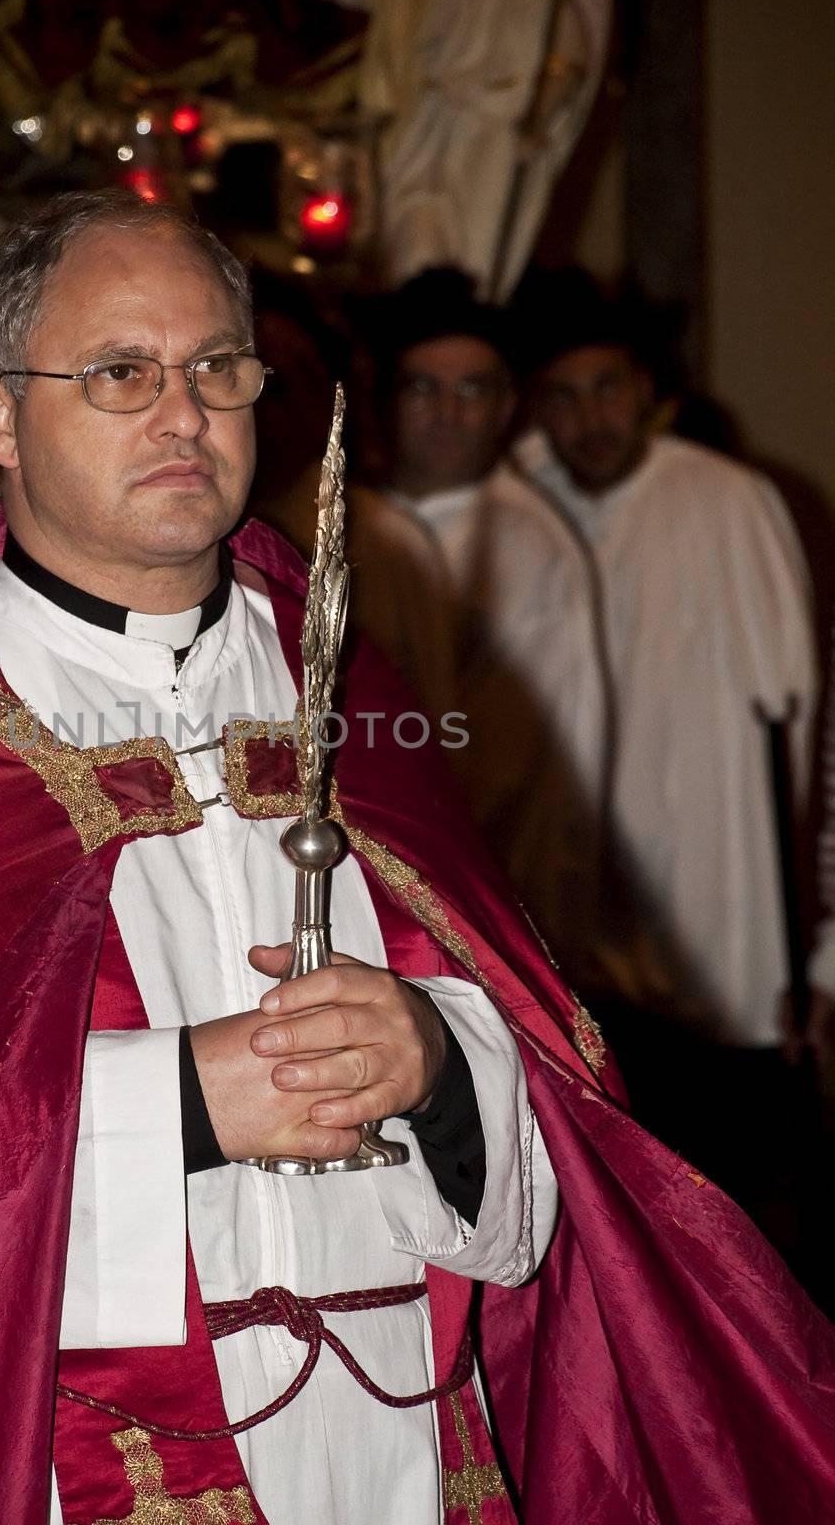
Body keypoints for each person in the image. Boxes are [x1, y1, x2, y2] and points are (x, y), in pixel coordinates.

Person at [0, 192, 832, 1525]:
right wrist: (191, 1106)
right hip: (69, 1454)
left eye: (219, 368)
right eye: (120, 374)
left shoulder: (345, 689)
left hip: (397, 1450)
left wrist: (437, 1065)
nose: (183, 414)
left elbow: (547, 1082)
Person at [514, 278, 819, 1210]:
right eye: (563, 397)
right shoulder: (521, 504)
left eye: (608, 388)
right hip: (574, 880)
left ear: (649, 392)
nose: (589, 418)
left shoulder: (726, 499)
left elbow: (790, 712)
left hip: (709, 874)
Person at [384, 268, 606, 979]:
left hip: (483, 884)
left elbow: (508, 761)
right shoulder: (364, 520)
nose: (446, 412)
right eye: (423, 387)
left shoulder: (524, 542)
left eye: (472, 390)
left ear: (508, 405)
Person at [318, 0, 610, 294]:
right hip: (416, 130)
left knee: (474, 259)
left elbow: (567, 59)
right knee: (410, 243)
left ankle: (464, 335)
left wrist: (533, 122)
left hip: (487, 134)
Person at [247, 268, 456, 724]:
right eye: (244, 384)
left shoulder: (386, 545)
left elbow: (435, 723)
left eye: (280, 385)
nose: (261, 411)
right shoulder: (194, 535)